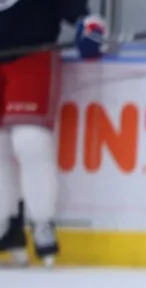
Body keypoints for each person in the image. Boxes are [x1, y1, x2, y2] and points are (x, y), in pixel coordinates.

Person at [0, 0, 107, 267]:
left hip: (33, 57)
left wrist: (89, 28)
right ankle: (6, 224)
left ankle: (42, 222)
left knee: (30, 140)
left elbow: (79, 14)